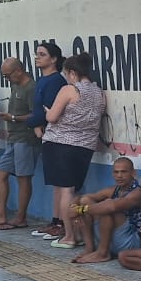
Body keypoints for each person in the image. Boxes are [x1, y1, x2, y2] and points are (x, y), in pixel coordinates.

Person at [40, 52, 106, 248]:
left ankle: (69, 235)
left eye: (67, 74)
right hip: (85, 147)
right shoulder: (99, 93)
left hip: (60, 144)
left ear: (72, 72)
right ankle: (75, 232)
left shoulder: (69, 90)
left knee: (64, 190)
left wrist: (47, 111)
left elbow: (52, 117)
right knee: (73, 190)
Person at [65, 156, 141, 264]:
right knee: (86, 200)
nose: (119, 176)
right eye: (116, 172)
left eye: (123, 172)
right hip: (111, 239)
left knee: (106, 208)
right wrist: (73, 206)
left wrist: (80, 210)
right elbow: (82, 198)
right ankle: (89, 248)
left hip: (130, 243)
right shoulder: (114, 189)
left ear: (133, 173)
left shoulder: (138, 193)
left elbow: (112, 207)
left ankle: (103, 253)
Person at [0, 57, 38, 230]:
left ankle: (21, 217)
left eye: (8, 75)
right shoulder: (15, 85)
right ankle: (0, 214)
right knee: (0, 174)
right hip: (13, 137)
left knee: (23, 177)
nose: (7, 79)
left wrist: (13, 118)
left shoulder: (31, 88)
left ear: (19, 71)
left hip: (26, 138)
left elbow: (36, 115)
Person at [27, 42, 68, 240]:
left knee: (62, 183)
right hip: (45, 135)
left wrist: (37, 124)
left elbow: (49, 109)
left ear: (53, 59)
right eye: (37, 54)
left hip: (55, 135)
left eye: (42, 54)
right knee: (55, 183)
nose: (38, 57)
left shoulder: (55, 82)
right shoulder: (42, 80)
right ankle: (55, 220)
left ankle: (61, 223)